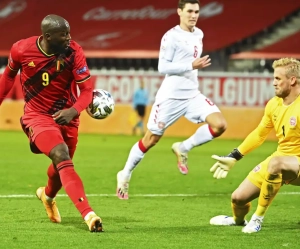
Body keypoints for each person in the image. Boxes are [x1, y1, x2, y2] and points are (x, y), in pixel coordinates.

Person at [0, 14, 103, 232]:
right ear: (48, 36)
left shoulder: (74, 52)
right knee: (60, 153)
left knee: (61, 166)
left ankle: (47, 196)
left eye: (69, 33)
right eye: (63, 34)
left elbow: (86, 91)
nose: (69, 37)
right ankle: (89, 214)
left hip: (68, 117)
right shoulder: (21, 50)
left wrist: (73, 110)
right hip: (37, 116)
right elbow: (8, 77)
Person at [116, 0, 227, 200]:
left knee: (219, 125)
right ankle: (124, 174)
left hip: (193, 95)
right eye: (190, 11)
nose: (193, 15)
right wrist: (190, 65)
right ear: (179, 12)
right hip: (170, 97)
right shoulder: (171, 36)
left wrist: (192, 66)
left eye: (197, 12)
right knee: (150, 139)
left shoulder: (199, 34)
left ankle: (184, 147)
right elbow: (163, 67)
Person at [209, 57, 300, 233]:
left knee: (276, 163)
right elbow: (259, 134)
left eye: (278, 79)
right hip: (281, 159)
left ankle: (257, 219)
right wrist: (234, 156)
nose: (273, 83)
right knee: (238, 198)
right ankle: (237, 220)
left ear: (293, 80)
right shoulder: (274, 104)